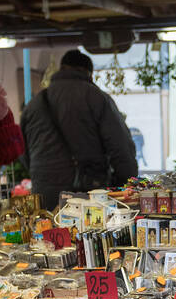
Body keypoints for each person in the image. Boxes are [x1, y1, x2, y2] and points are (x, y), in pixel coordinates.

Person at [20, 49, 138, 207]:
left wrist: (42, 175)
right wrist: (125, 184)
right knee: (89, 230)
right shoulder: (96, 98)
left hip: (45, 194)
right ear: (88, 73)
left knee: (47, 230)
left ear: (61, 69)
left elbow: (22, 150)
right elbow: (121, 146)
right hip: (88, 191)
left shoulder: (35, 104)